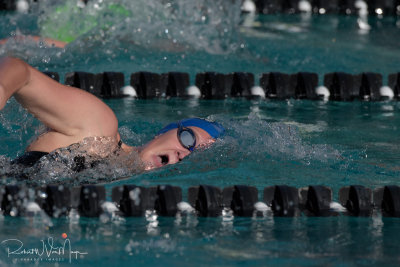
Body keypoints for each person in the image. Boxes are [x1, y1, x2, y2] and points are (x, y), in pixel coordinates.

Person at [0, 57, 224, 172]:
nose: (183, 154)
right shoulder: (98, 129)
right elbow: (20, 71)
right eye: (188, 139)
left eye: (194, 156)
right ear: (164, 132)